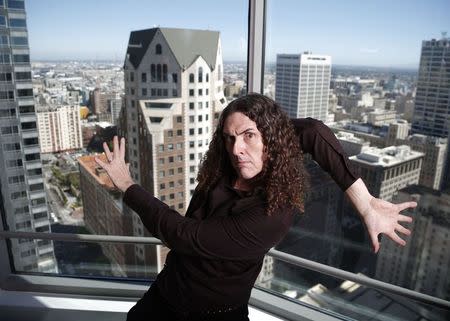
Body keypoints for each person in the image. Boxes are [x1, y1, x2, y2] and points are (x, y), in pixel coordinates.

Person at [95, 93, 415, 321]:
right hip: (166, 294)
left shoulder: (273, 213)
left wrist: (127, 185)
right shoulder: (232, 158)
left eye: (249, 135)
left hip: (213, 314)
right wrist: (365, 202)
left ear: (271, 139)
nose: (238, 149)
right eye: (230, 137)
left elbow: (183, 235)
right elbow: (313, 133)